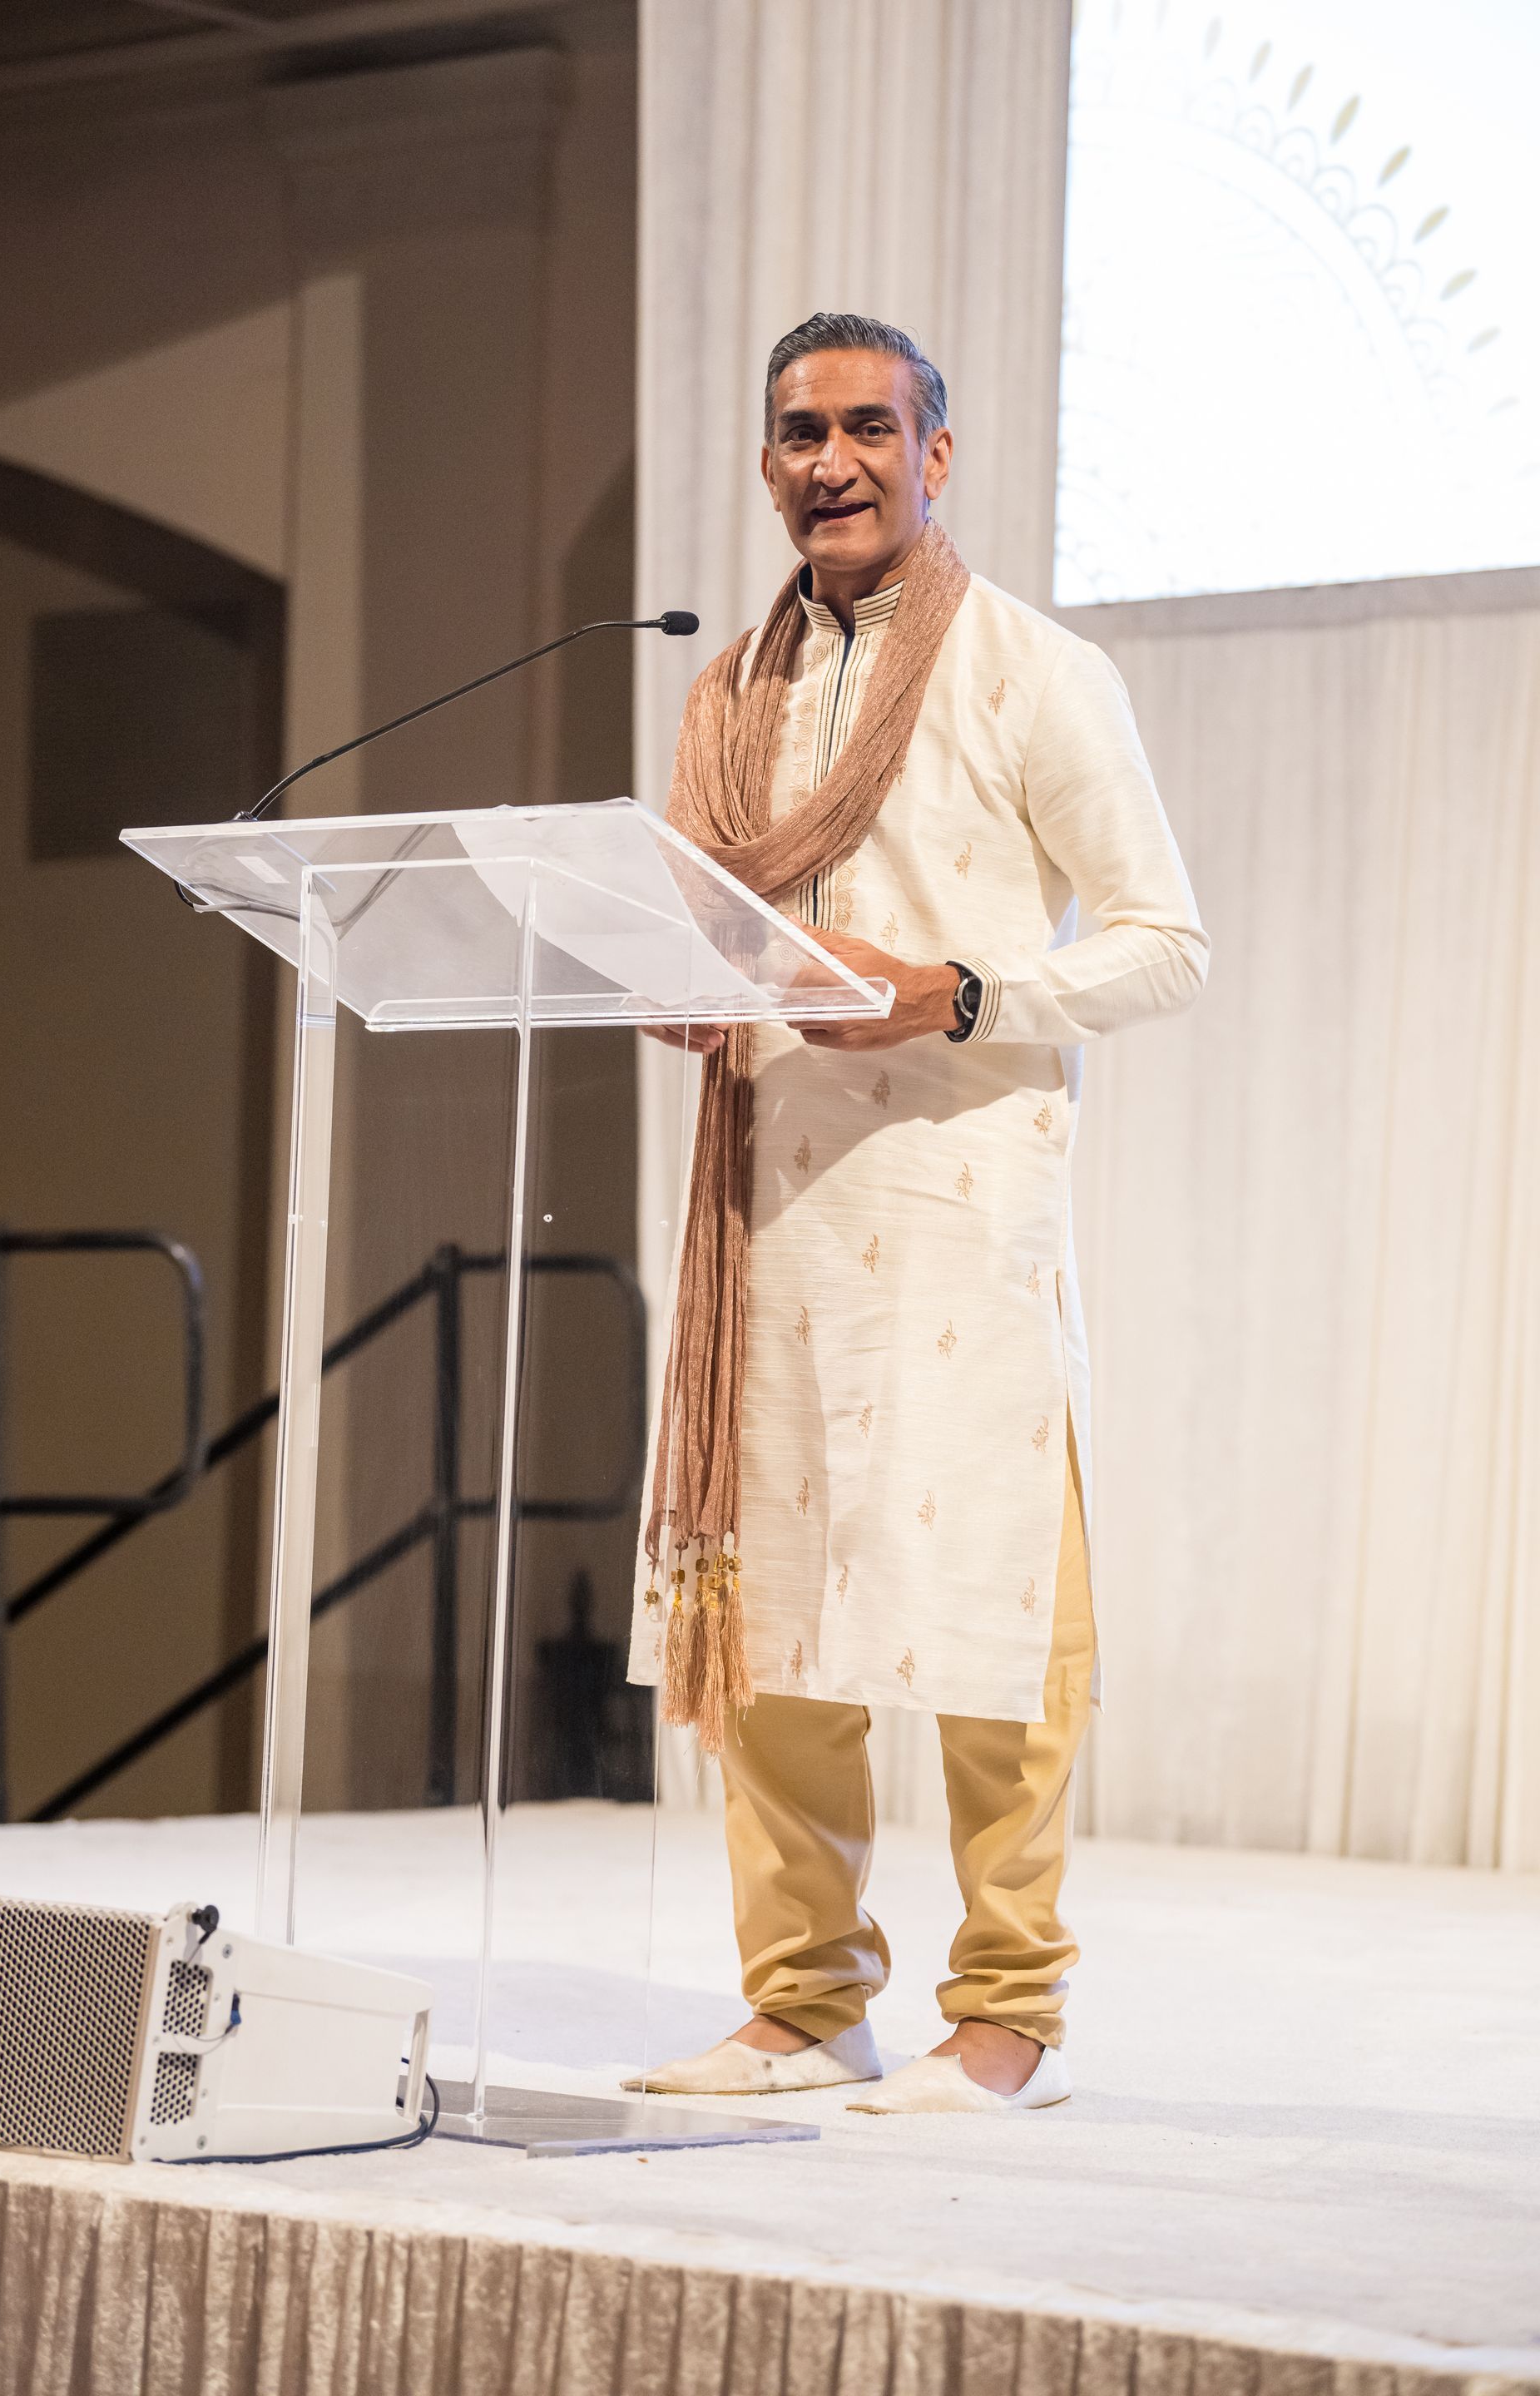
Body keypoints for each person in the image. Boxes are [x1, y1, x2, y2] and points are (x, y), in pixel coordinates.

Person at [626, 312, 1207, 2113]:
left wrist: (953, 991)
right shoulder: (727, 692)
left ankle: (1006, 2014)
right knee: (778, 1608)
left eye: (870, 427)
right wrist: (661, 974)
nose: (833, 461)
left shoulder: (1034, 671)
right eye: (801, 430)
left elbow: (1161, 946)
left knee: (987, 1612)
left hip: (959, 1205)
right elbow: (700, 923)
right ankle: (805, 2002)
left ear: (935, 453)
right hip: (772, 1207)